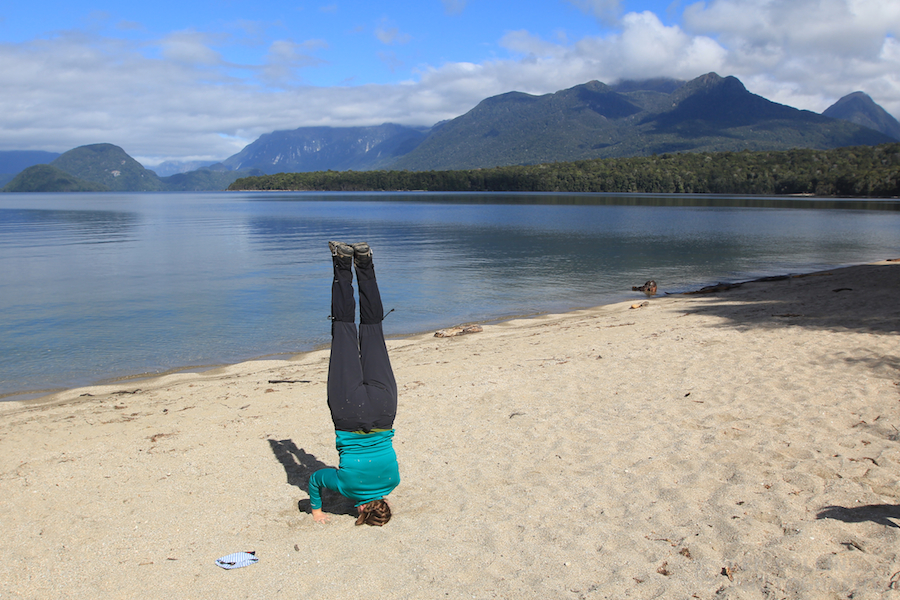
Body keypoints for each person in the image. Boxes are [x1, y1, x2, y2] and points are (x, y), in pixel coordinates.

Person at [308, 241, 400, 526]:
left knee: (373, 328)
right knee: (344, 328)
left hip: (385, 409)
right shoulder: (347, 488)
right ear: (360, 511)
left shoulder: (394, 481)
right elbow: (315, 479)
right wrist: (316, 510)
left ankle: (365, 262)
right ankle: (341, 262)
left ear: (384, 503)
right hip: (349, 412)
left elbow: (381, 486)